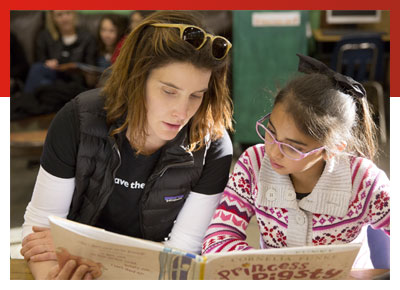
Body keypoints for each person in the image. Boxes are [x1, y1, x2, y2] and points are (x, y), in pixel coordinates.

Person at [20, 10, 233, 279]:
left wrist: (90, 251)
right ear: (136, 77)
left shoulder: (212, 145)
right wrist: (53, 278)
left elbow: (181, 256)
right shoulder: (78, 119)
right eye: (169, 91)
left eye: (196, 95)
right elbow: (39, 231)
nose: (182, 112)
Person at [202, 54, 390, 261]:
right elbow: (218, 240)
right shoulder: (253, 164)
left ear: (333, 149)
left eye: (292, 148)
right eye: (271, 132)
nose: (273, 151)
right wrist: (271, 268)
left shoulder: (364, 181)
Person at [23, 10, 97, 93]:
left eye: (68, 13)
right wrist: (47, 63)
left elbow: (90, 68)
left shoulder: (87, 38)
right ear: (53, 18)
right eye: (59, 15)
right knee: (41, 76)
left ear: (74, 14)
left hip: (75, 82)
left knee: (43, 84)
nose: (64, 18)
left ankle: (24, 101)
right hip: (53, 77)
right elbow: (40, 61)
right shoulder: (45, 36)